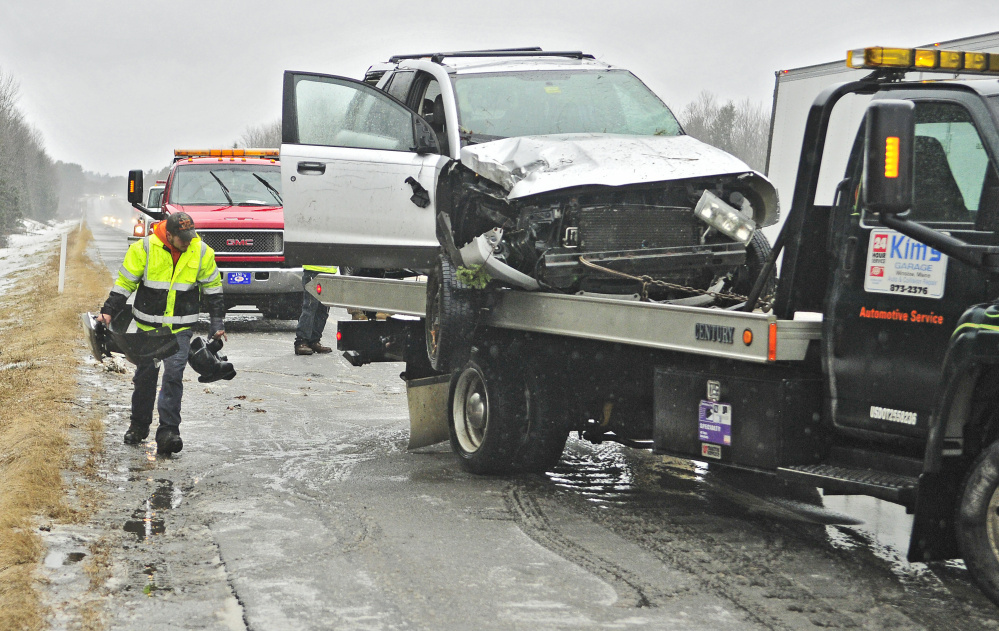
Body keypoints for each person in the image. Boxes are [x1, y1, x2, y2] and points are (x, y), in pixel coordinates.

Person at [97, 212, 225, 454]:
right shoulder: (144, 249)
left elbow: (213, 289)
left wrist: (217, 323)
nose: (188, 242)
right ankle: (138, 426)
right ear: (169, 235)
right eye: (183, 239)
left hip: (181, 328)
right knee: (146, 376)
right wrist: (107, 313)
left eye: (190, 237)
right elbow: (125, 284)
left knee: (173, 375)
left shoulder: (201, 251)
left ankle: (169, 431)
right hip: (148, 328)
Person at [294, 264, 337, 355]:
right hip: (312, 271)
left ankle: (314, 341)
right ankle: (301, 341)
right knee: (310, 307)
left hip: (329, 273)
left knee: (323, 309)